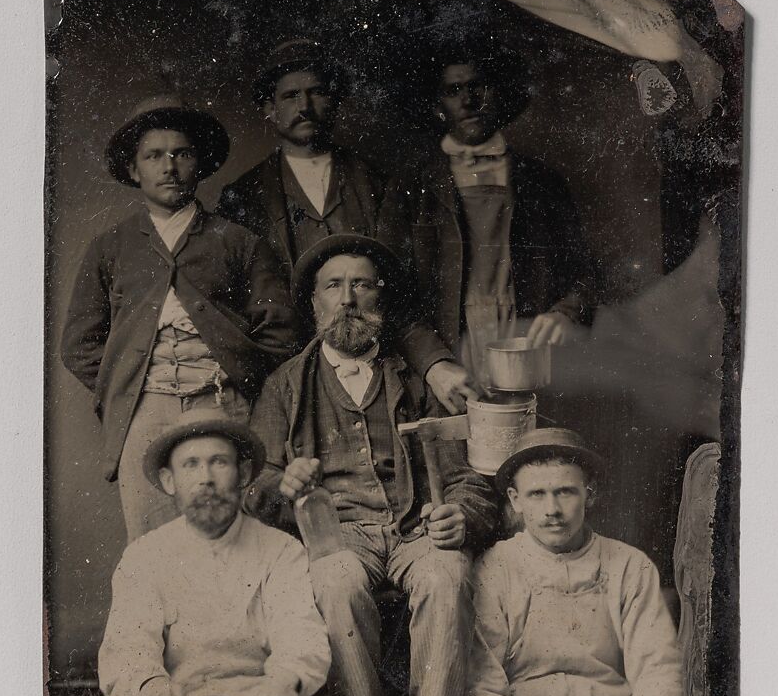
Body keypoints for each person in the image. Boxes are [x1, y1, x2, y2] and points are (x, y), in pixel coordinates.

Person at [245, 234, 498, 696]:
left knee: (448, 568)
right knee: (333, 581)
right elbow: (255, 484)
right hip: (339, 532)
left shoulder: (418, 376)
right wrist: (284, 485)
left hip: (415, 526)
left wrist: (460, 512)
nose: (348, 300)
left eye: (361, 285)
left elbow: (474, 475)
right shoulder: (286, 384)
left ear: (381, 298)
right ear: (314, 304)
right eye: (334, 287)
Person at [381, 427, 682, 696]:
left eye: (565, 493)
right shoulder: (496, 568)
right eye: (536, 495)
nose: (552, 510)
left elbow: (658, 662)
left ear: (590, 495)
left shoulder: (629, 567)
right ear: (515, 502)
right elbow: (481, 679)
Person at [98, 413, 337, 696]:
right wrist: (151, 682)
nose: (206, 478)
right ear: (169, 481)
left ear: (244, 474)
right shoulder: (145, 557)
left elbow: (300, 632)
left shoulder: (280, 551)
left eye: (219, 463)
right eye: (190, 466)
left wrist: (285, 682)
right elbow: (127, 645)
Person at [61, 94, 298, 541]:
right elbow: (78, 344)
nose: (168, 166)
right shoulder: (110, 247)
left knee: (230, 536)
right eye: (153, 156)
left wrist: (236, 379)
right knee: (151, 543)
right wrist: (128, 381)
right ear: (134, 170)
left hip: (221, 402)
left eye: (181, 153)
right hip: (144, 410)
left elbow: (280, 333)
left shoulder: (239, 241)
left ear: (199, 164)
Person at [216, 39, 475, 413]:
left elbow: (403, 297)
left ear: (334, 102)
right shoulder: (241, 198)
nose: (304, 107)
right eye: (290, 96)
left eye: (316, 93)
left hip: (376, 369)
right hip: (287, 383)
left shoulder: (381, 186)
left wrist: (434, 363)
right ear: (269, 109)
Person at [379, 36, 598, 388]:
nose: (467, 101)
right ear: (438, 104)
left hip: (528, 344)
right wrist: (432, 363)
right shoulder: (410, 186)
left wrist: (566, 312)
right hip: (447, 353)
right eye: (453, 91)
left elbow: (586, 273)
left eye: (476, 86)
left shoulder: (542, 181)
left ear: (497, 92)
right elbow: (388, 294)